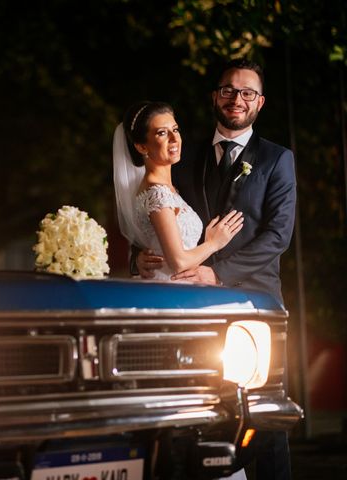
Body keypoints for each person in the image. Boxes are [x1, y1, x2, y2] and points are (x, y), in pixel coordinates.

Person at [134, 59, 297, 479]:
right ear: (215, 96)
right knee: (205, 409)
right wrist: (137, 257)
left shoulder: (278, 160)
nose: (236, 99)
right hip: (194, 304)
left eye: (247, 92)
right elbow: (161, 221)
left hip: (254, 301)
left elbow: (277, 237)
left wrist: (217, 272)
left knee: (264, 411)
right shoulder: (185, 157)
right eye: (228, 90)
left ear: (259, 102)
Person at [113, 101, 244, 281]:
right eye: (161, 133)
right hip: (170, 289)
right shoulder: (156, 193)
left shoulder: (171, 186)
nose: (174, 139)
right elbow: (178, 262)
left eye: (175, 130)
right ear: (141, 147)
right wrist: (214, 243)